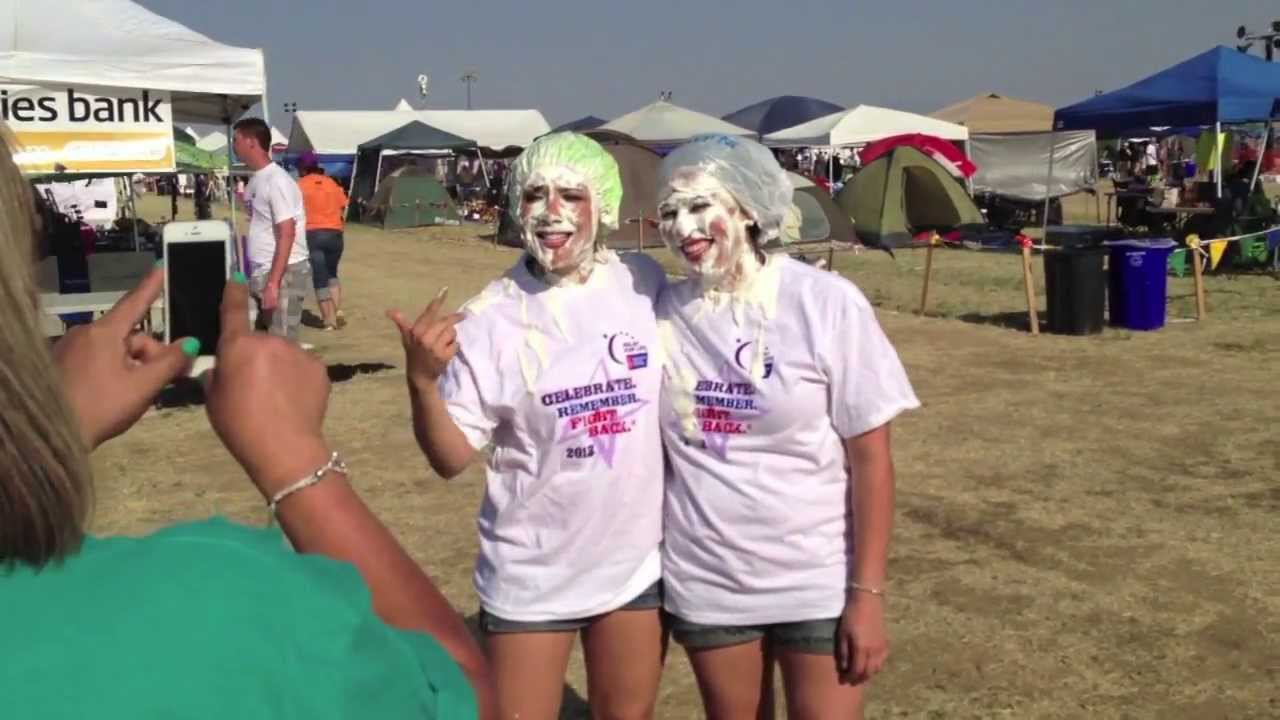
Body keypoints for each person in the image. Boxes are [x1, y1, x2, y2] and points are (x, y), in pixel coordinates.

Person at [0, 136, 493, 718]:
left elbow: (288, 230)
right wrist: (295, 460)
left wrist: (47, 435)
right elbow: (453, 690)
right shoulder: (219, 603)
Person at [387, 133, 666, 720]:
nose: (552, 211)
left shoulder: (642, 283)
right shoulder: (492, 318)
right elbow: (450, 457)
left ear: (604, 206)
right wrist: (422, 383)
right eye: (536, 194)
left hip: (633, 567)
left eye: (572, 194)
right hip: (533, 573)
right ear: (517, 207)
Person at [654, 135, 920, 720]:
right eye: (669, 212)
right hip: (710, 582)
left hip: (817, 580)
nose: (681, 226)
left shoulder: (825, 303)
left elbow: (871, 462)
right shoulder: (663, 312)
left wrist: (867, 596)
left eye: (701, 206)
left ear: (748, 208)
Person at [233, 117, 310, 342]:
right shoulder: (256, 180)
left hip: (283, 273)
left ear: (251, 142)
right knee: (257, 344)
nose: (233, 147)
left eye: (235, 140)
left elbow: (287, 232)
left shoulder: (277, 180)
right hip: (261, 270)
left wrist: (274, 283)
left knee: (282, 346)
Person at [297, 152, 349, 330]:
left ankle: (329, 320)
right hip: (335, 233)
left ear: (303, 168)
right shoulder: (331, 183)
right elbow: (343, 203)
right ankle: (336, 310)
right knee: (332, 273)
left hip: (313, 233)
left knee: (320, 277)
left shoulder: (300, 185)